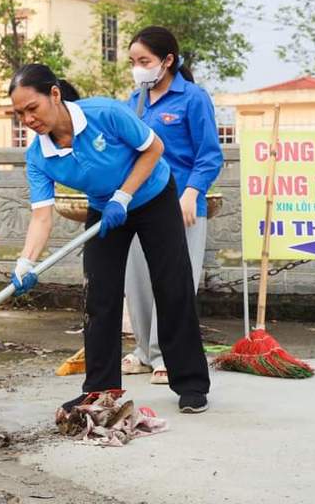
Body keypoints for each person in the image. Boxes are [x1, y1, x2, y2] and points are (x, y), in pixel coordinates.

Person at [8, 64, 210, 414]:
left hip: (153, 195)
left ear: (54, 95)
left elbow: (154, 148)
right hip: (106, 209)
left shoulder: (105, 113)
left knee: (171, 285)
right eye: (19, 113)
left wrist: (125, 195)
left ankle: (190, 382)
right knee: (99, 295)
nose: (27, 119)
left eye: (32, 108)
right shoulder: (38, 156)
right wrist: (26, 261)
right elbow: (42, 215)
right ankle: (101, 389)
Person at [121, 27, 223, 384]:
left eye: (144, 61)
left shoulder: (193, 98)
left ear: (168, 61)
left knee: (175, 282)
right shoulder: (134, 101)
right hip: (139, 203)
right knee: (137, 279)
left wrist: (192, 192)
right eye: (133, 61)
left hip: (181, 205)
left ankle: (168, 354)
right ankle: (143, 351)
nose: (138, 68)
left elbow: (209, 155)